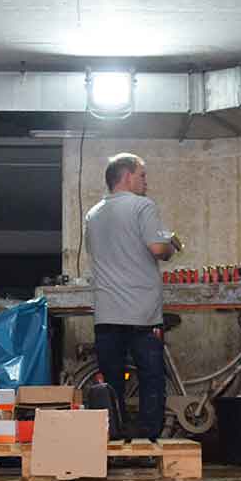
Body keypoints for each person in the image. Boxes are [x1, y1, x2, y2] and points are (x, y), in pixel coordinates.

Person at [84, 153, 181, 440]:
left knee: (111, 382)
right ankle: (147, 442)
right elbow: (157, 249)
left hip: (106, 314)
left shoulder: (93, 213)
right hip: (142, 314)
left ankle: (113, 441)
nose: (146, 182)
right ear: (126, 176)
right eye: (142, 175)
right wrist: (170, 246)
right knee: (151, 379)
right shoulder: (143, 206)